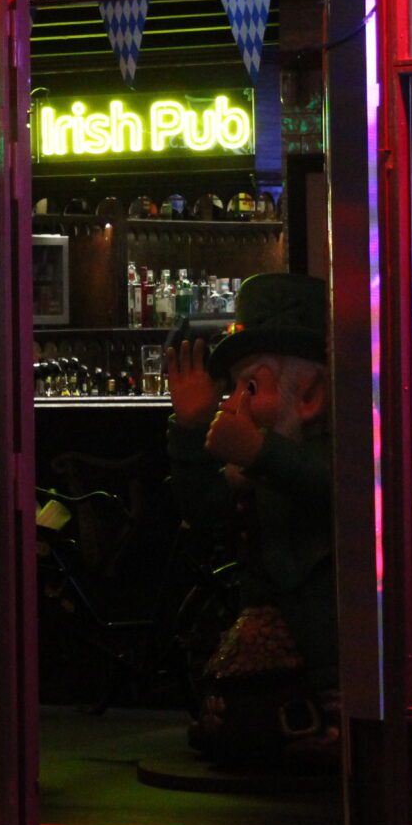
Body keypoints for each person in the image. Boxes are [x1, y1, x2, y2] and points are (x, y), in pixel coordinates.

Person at [166, 272, 337, 766]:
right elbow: (202, 508)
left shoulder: (339, 451)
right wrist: (192, 426)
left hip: (329, 648)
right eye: (236, 387)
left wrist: (263, 452)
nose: (236, 402)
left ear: (308, 398)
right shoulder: (254, 469)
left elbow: (332, 485)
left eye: (252, 386)